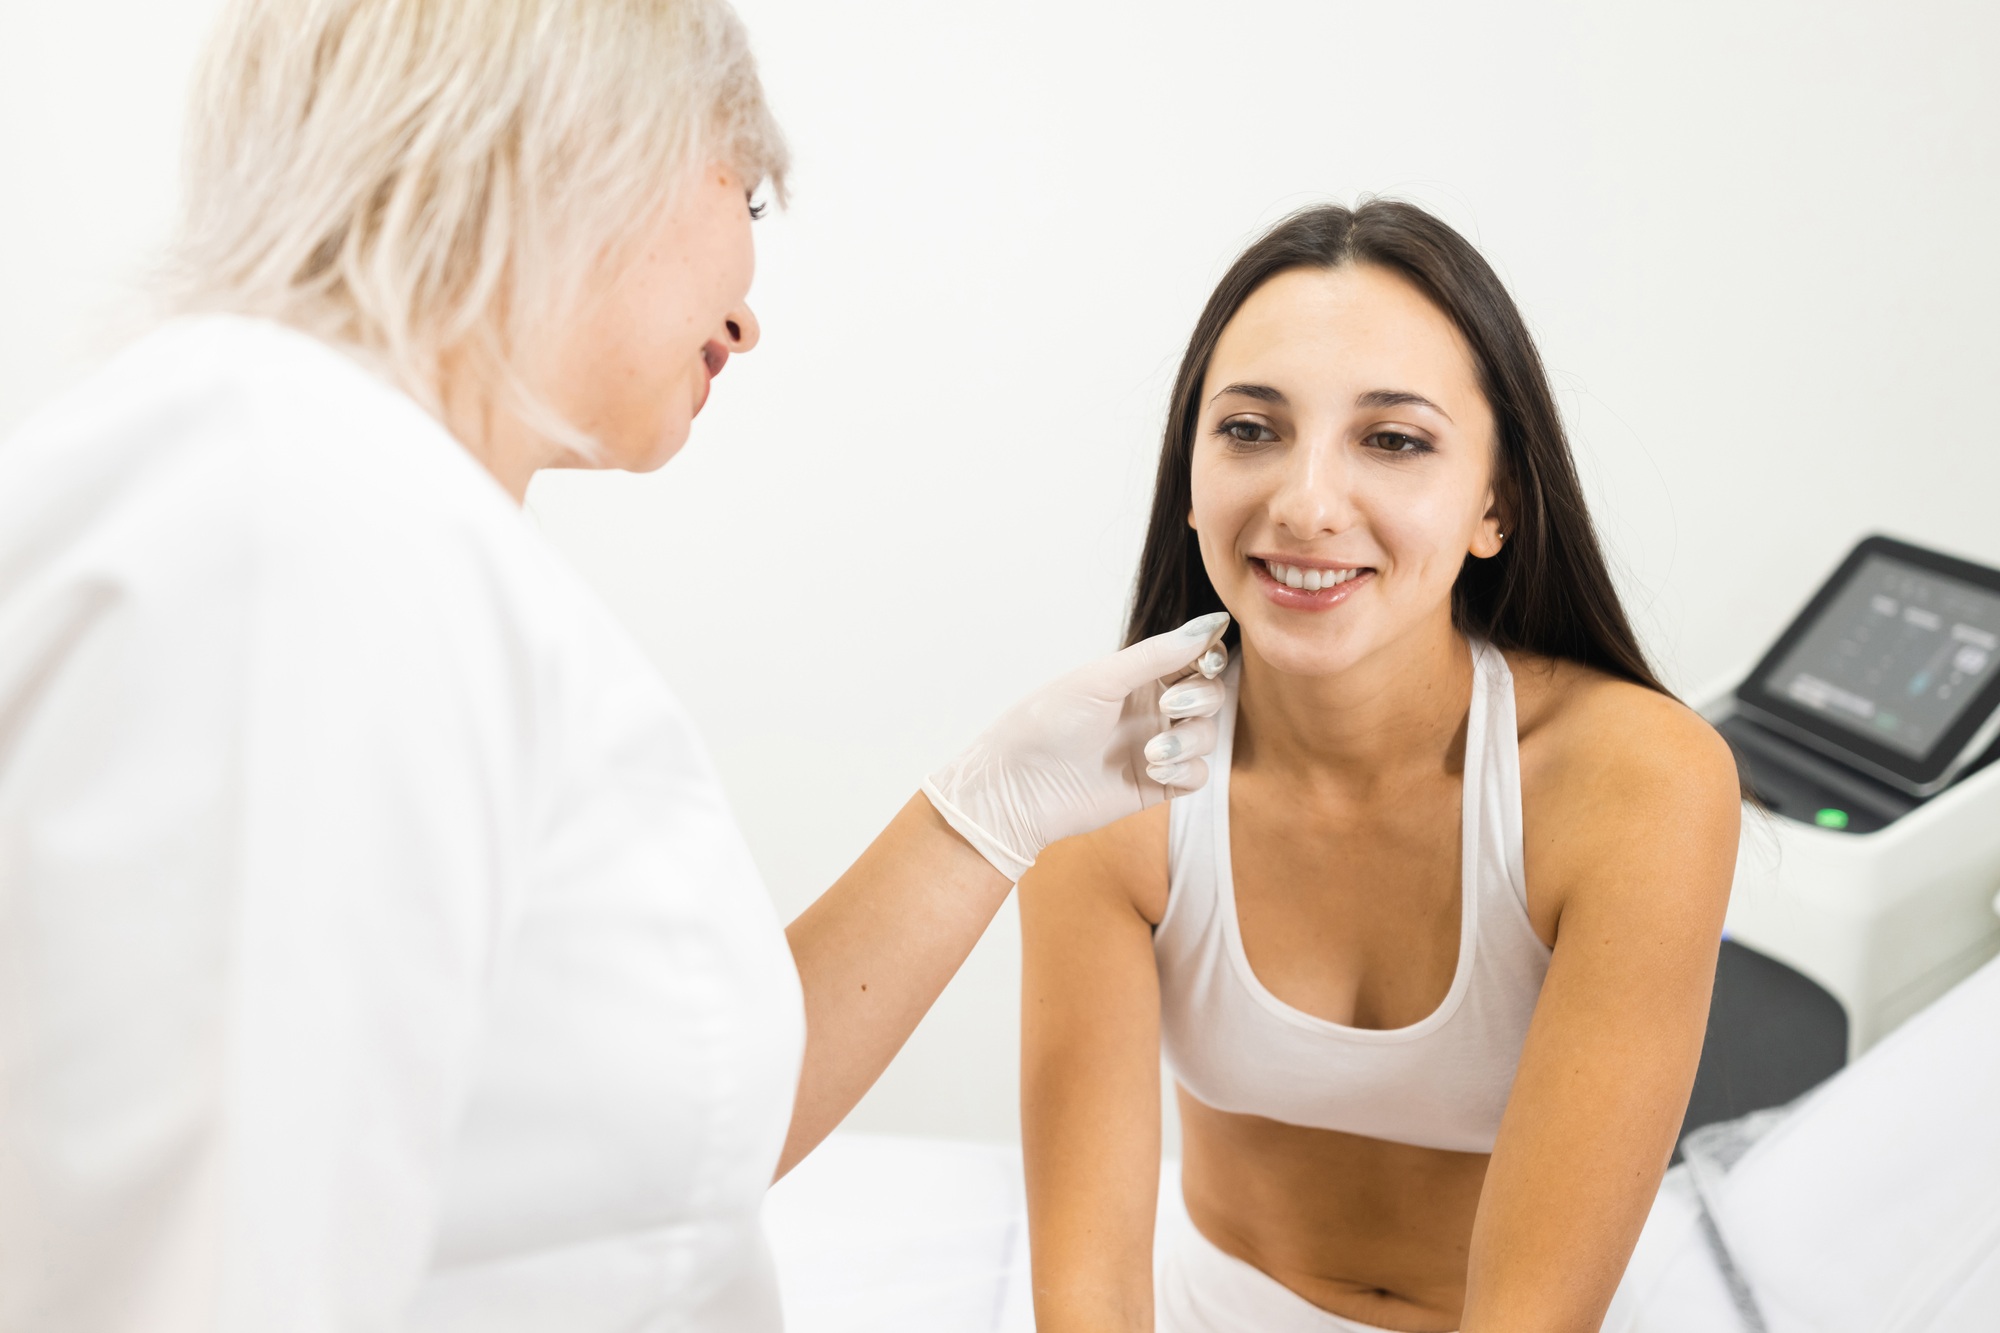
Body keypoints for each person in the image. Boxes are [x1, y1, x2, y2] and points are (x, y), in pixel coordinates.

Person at [0, 2, 1232, 1329]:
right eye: (744, 188)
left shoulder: (374, 524)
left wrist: (991, 806)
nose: (748, 317)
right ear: (588, 139)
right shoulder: (300, 522)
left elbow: (652, 1155)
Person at [1019, 201, 1744, 1333]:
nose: (1305, 504)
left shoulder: (1637, 783)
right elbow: (1090, 1304)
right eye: (1250, 429)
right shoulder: (1108, 773)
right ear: (1191, 476)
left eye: (1392, 440)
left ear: (1494, 503)